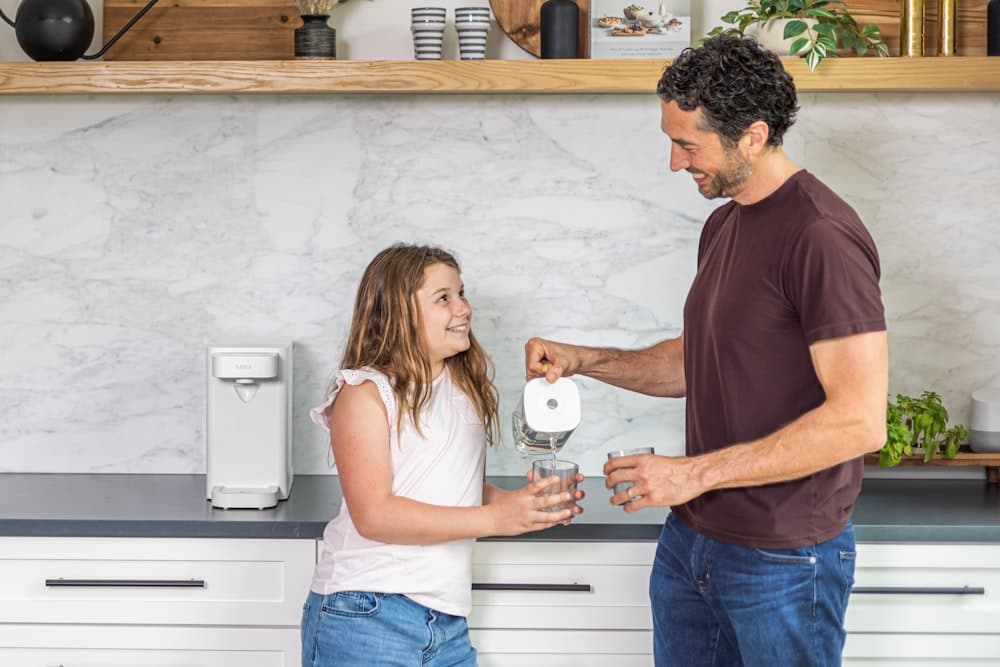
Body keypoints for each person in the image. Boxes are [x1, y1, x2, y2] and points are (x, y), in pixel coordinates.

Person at [524, 36, 888, 667]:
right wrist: (586, 360)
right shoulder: (725, 223)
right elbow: (695, 363)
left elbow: (859, 421)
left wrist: (689, 474)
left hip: (783, 558)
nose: (674, 162)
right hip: (692, 542)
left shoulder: (821, 236)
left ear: (753, 135)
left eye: (689, 145)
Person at [301, 243, 584, 667]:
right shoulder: (365, 393)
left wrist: (525, 505)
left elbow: (459, 488)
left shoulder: (462, 387)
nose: (463, 308)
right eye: (443, 298)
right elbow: (374, 515)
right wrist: (496, 520)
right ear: (398, 313)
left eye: (461, 293)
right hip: (365, 612)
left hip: (447, 623)